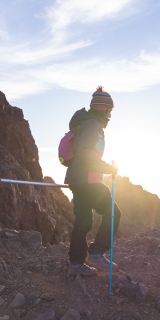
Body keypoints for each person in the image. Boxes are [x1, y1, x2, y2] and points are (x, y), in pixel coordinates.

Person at [64, 86, 121, 276]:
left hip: (77, 178)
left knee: (83, 220)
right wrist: (108, 168)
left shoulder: (84, 122)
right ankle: (95, 253)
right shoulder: (91, 125)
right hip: (87, 179)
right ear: (102, 108)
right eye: (110, 110)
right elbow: (87, 154)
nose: (111, 115)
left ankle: (76, 263)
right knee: (113, 213)